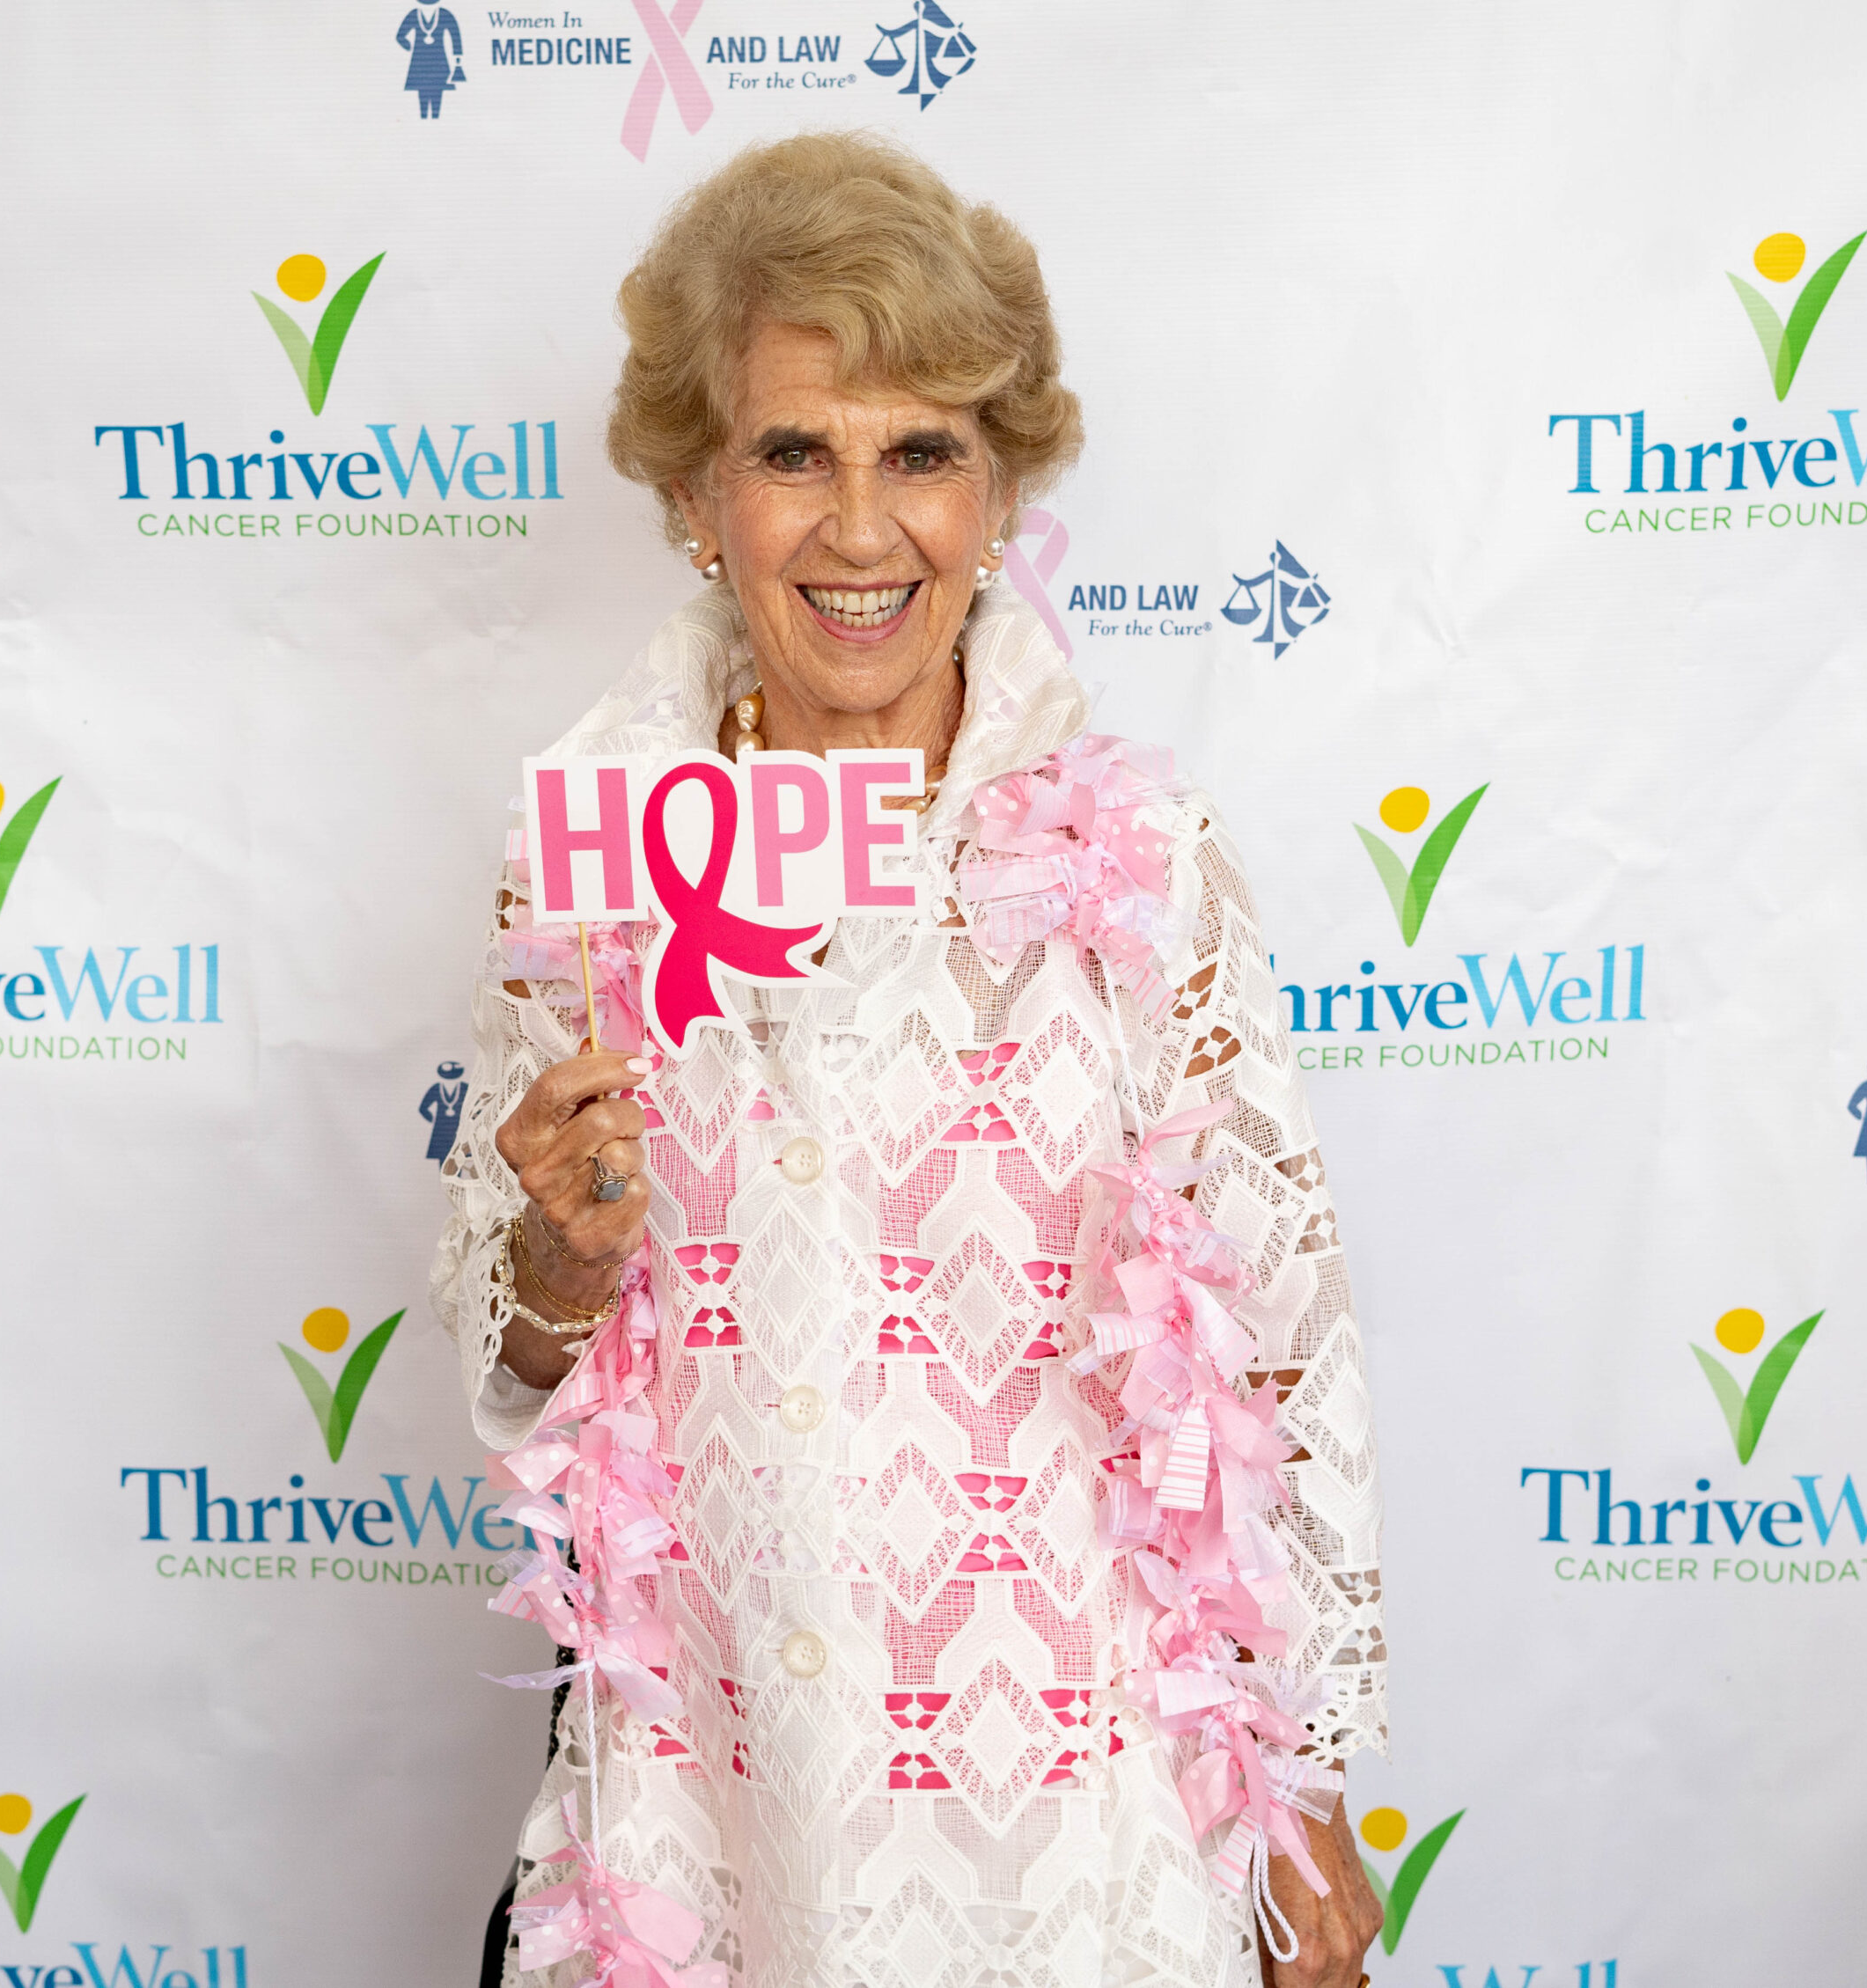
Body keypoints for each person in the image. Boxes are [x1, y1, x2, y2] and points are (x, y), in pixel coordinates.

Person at [432, 133, 1387, 1988]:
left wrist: (1304, 1802)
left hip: (1079, 1827)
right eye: (795, 451)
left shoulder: (1140, 867)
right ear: (697, 495)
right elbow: (512, 1359)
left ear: (997, 491)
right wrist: (555, 1250)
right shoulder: (591, 874)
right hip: (714, 1810)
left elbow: (1279, 1347)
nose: (860, 530)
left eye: (921, 453)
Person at [397, 4, 463, 119]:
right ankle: (424, 120)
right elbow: (400, 36)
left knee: (437, 92)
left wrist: (457, 55)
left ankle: (435, 119)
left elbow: (455, 34)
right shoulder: (414, 14)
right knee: (422, 93)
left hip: (438, 61)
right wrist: (408, 46)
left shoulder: (444, 14)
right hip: (419, 62)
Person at [421, 1059, 467, 1161]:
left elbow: (476, 1107)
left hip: (460, 1128)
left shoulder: (464, 1087)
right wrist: (433, 1120)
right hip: (441, 1130)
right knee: (443, 1158)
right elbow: (423, 1108)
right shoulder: (437, 1088)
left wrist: (469, 1121)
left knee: (460, 1158)